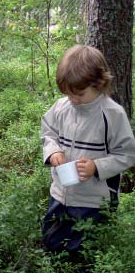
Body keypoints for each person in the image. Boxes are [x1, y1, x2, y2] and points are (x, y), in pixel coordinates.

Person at [41, 44, 135, 253]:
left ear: (98, 84)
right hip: (60, 194)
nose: (73, 99)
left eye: (80, 94)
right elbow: (48, 132)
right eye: (68, 93)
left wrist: (97, 166)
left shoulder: (112, 114)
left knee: (86, 253)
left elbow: (128, 153)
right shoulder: (61, 107)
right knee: (51, 241)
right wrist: (53, 151)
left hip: (93, 201)